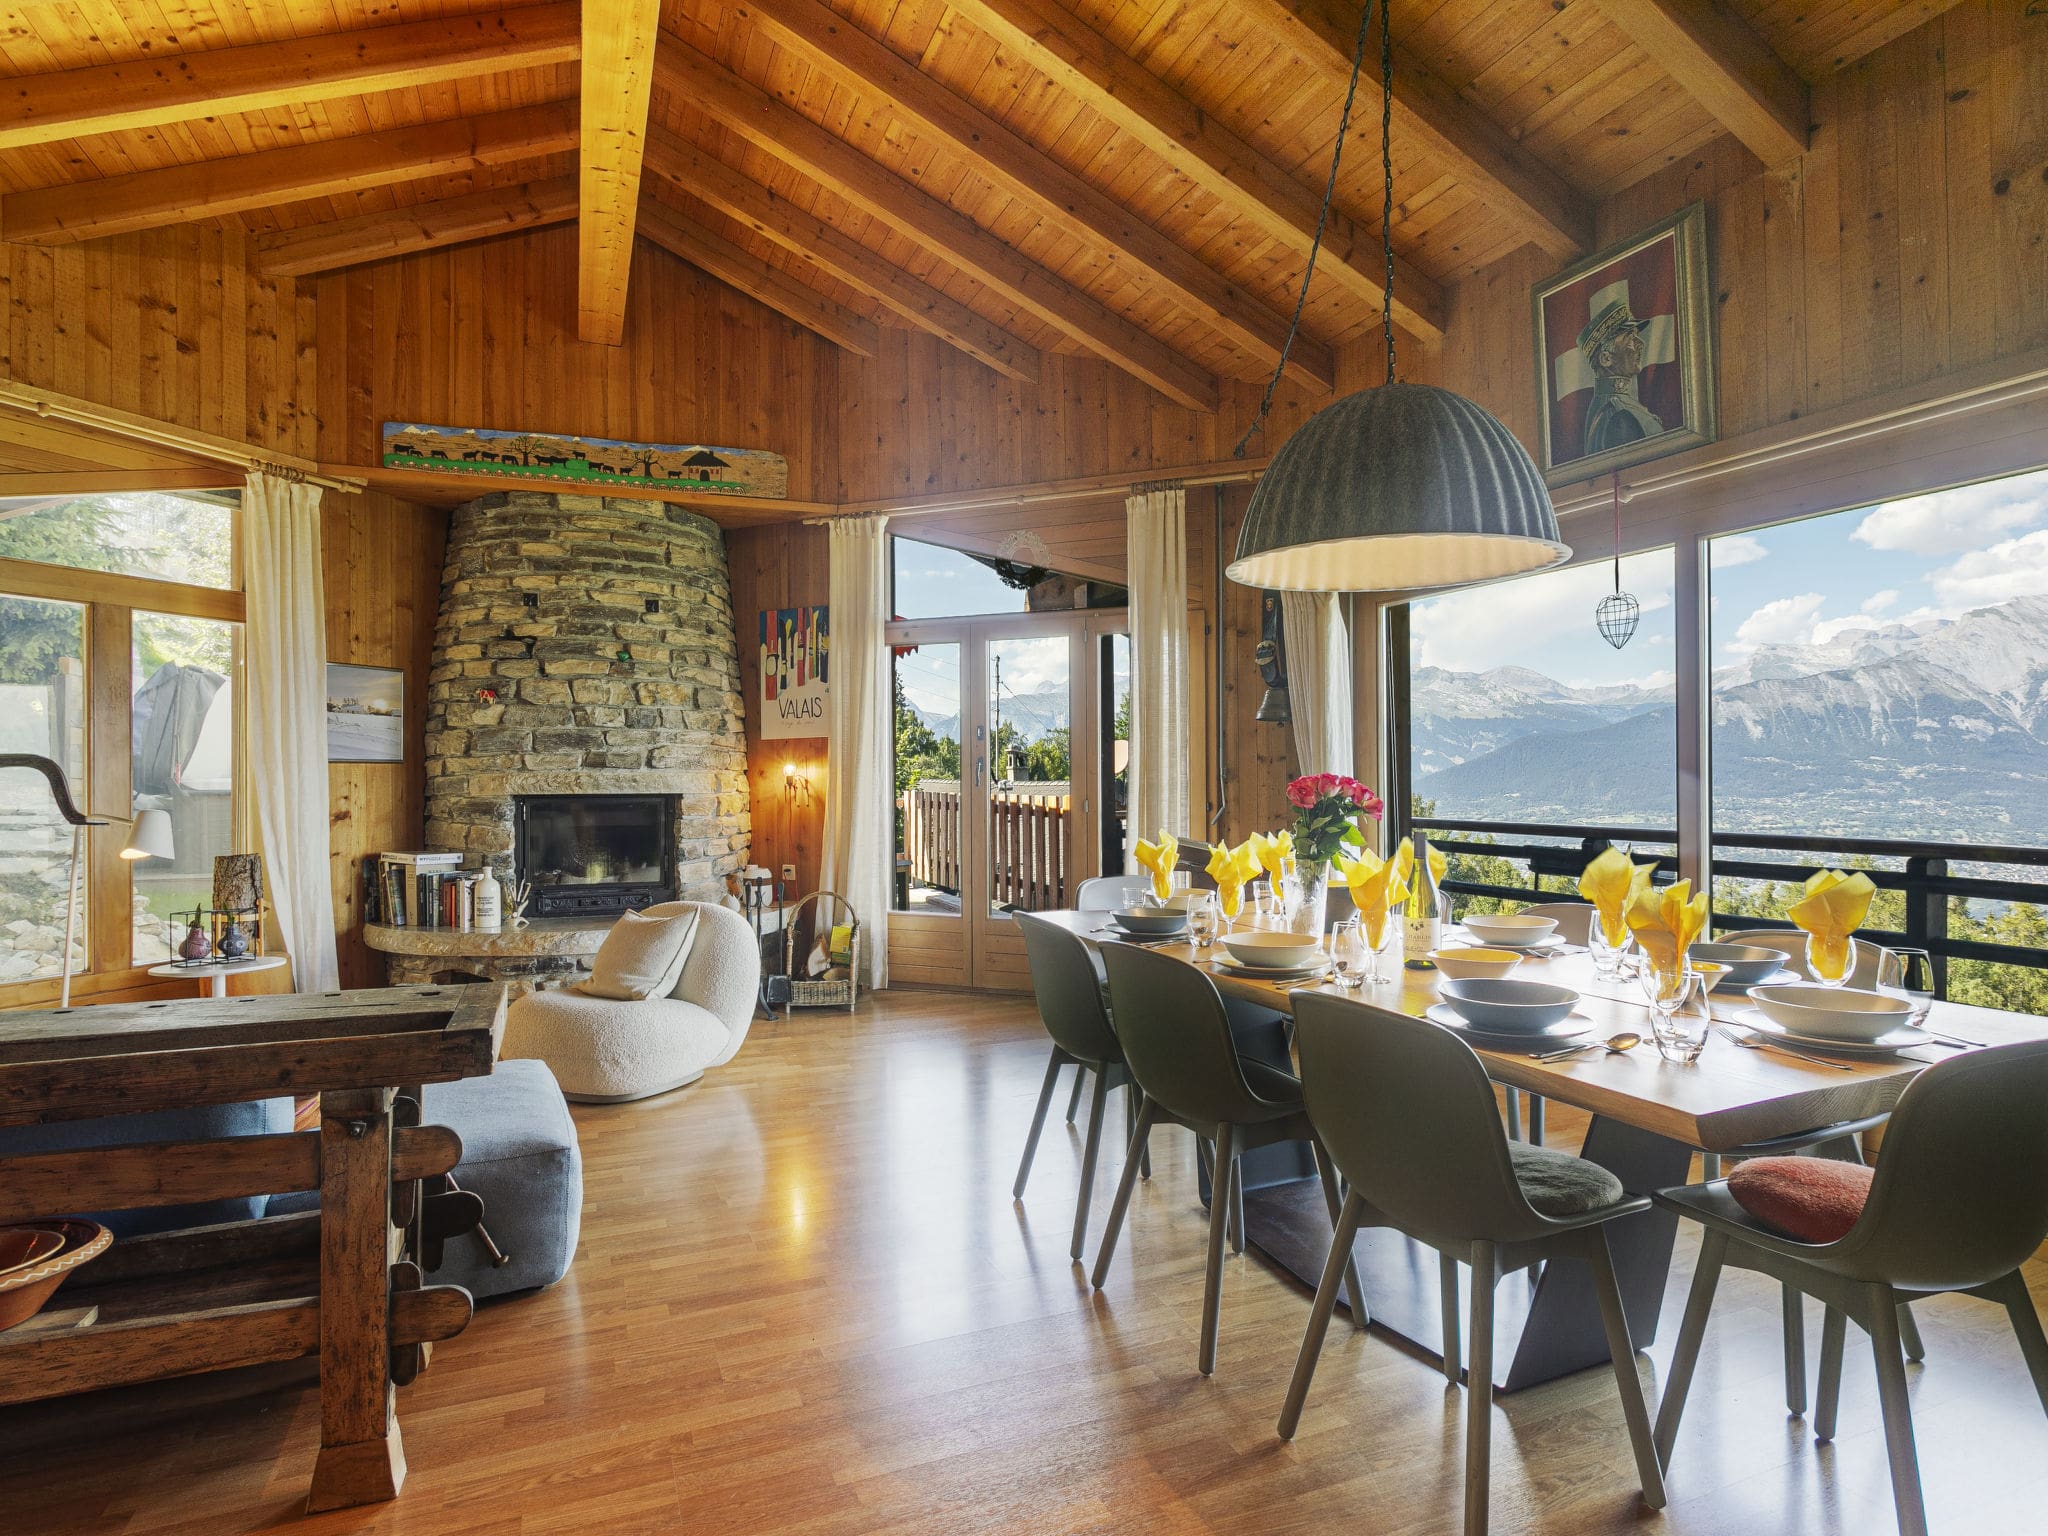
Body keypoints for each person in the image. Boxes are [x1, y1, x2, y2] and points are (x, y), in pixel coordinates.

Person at [1577, 298, 1665, 456]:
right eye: (1630, 338)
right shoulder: (1618, 416)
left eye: (1636, 336)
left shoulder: (1617, 406)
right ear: (1606, 358)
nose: (1640, 343)